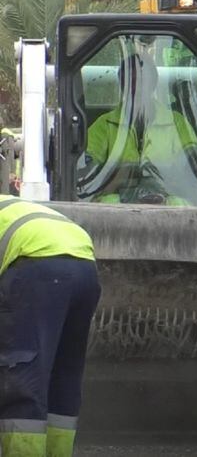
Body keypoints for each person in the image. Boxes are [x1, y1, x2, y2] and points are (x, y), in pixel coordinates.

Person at [0, 195, 99, 457]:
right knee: (63, 375)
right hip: (85, 265)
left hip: (38, 266)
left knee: (22, 374)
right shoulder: (11, 205)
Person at [84, 53, 197, 205]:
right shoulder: (103, 125)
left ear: (154, 83)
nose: (137, 87)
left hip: (167, 200)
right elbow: (87, 176)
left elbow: (193, 171)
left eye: (143, 81)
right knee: (103, 205)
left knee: (182, 206)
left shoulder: (177, 123)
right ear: (122, 84)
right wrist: (122, 176)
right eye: (131, 81)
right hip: (117, 206)